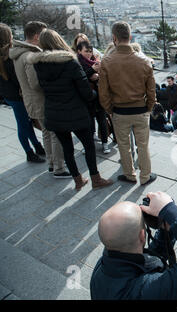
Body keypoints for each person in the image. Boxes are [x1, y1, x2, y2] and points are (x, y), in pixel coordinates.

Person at [90, 191, 177, 300]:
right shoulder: (150, 291)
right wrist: (171, 211)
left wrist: (165, 229)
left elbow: (146, 261)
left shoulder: (104, 267)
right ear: (143, 236)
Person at [30, 28, 113, 190]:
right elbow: (86, 93)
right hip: (76, 112)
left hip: (54, 113)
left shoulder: (39, 64)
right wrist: (96, 94)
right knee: (88, 146)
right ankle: (96, 179)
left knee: (67, 148)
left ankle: (78, 180)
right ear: (59, 41)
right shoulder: (70, 62)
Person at [98, 21, 156, 186]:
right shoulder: (144, 61)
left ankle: (130, 175)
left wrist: (110, 109)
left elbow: (103, 92)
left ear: (114, 38)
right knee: (143, 145)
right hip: (140, 109)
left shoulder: (107, 62)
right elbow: (151, 91)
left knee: (124, 145)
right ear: (130, 37)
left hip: (119, 111)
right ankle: (145, 176)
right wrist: (149, 107)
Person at [10, 21, 70, 174]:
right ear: (37, 36)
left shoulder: (18, 53)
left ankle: (51, 163)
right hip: (41, 101)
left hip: (30, 100)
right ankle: (59, 168)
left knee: (46, 132)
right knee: (55, 133)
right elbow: (36, 84)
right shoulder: (30, 56)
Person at [0, 23, 45, 163]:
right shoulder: (8, 56)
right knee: (23, 123)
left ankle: (36, 146)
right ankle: (29, 152)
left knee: (25, 122)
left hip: (8, 95)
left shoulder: (5, 56)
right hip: (17, 95)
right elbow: (17, 78)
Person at [76, 41, 110, 154]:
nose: (89, 54)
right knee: (88, 123)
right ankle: (89, 145)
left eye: (90, 51)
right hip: (86, 97)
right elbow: (78, 79)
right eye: (86, 51)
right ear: (79, 51)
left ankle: (105, 143)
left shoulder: (95, 61)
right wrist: (92, 71)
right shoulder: (76, 63)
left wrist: (99, 75)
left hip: (98, 96)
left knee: (102, 121)